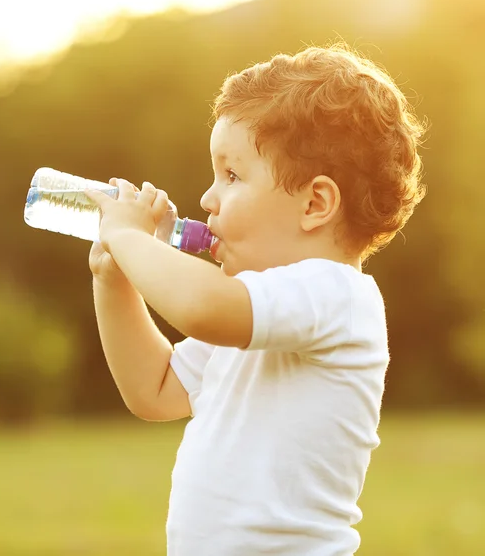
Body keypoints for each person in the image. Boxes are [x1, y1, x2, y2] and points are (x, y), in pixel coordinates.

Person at [84, 42, 426, 555]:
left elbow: (203, 308)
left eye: (233, 175)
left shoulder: (337, 297)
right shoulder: (254, 317)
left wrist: (131, 238)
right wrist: (115, 281)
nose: (207, 199)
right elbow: (153, 390)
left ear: (315, 203)